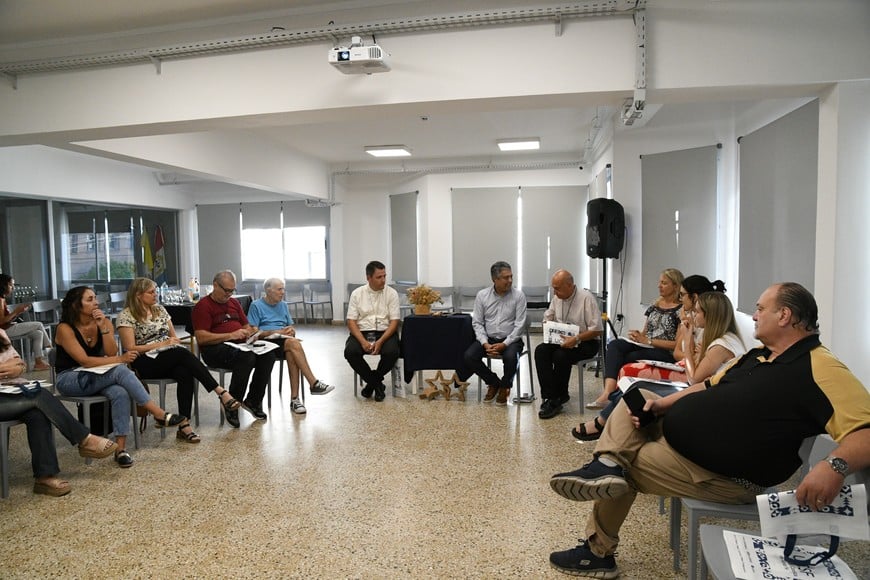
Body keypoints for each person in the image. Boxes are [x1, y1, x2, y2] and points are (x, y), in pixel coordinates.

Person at [547, 282, 870, 578]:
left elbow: (866, 431)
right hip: (683, 449)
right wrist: (663, 406)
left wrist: (834, 466)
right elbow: (706, 384)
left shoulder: (822, 366)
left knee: (626, 467)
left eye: (760, 308)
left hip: (722, 477)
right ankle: (607, 464)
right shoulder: (760, 356)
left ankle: (597, 552)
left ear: (784, 315)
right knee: (640, 398)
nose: (754, 315)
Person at [574, 289, 745, 441]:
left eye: (698, 312)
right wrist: (696, 352)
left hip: (704, 394)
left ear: (710, 316)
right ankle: (608, 423)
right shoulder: (722, 338)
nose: (694, 315)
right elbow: (699, 366)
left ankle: (603, 424)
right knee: (634, 384)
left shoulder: (721, 346)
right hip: (702, 388)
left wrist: (687, 339)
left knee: (638, 390)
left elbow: (693, 379)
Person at [54, 286, 187, 468]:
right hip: (70, 377)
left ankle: (120, 449)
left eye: (95, 298)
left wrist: (103, 328)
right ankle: (158, 413)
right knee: (120, 369)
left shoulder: (103, 322)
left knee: (120, 392)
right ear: (76, 305)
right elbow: (84, 361)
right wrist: (121, 359)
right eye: (90, 299)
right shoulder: (65, 328)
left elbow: (111, 351)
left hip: (97, 374)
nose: (96, 302)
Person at [116, 277, 242, 442]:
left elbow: (173, 338)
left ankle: (184, 425)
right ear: (138, 295)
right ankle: (221, 392)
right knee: (181, 354)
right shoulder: (126, 316)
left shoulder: (159, 310)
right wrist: (162, 344)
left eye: (155, 291)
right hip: (144, 360)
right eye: (151, 292)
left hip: (168, 354)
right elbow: (130, 348)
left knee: (184, 371)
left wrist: (169, 343)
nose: (155, 295)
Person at [0, 328, 117, 496]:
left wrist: (17, 368)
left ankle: (45, 477)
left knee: (37, 414)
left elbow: (20, 363)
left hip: (11, 392)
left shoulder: (1, 333)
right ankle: (84, 439)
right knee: (39, 395)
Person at [587, 268, 684, 409]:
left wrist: (649, 341)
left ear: (675, 286)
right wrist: (638, 337)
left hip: (664, 352)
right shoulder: (655, 305)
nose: (659, 286)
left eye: (664, 283)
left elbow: (676, 345)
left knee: (630, 356)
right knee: (615, 344)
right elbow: (646, 332)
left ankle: (617, 398)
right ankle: (608, 392)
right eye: (659, 282)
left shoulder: (681, 311)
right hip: (647, 345)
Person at [192, 270, 275, 427]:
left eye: (232, 290)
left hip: (239, 345)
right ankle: (231, 403)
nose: (229, 294)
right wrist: (230, 335)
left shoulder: (234, 303)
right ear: (215, 285)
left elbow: (246, 325)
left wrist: (252, 332)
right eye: (226, 290)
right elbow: (201, 338)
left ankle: (253, 401)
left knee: (268, 355)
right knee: (247, 357)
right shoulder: (203, 306)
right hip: (214, 349)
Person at [247, 278, 336, 415]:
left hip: (284, 342)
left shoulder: (283, 305)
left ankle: (295, 399)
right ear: (268, 290)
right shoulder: (256, 305)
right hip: (266, 343)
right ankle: (312, 384)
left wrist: (290, 331)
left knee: (292, 351)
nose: (283, 292)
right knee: (294, 345)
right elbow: (253, 332)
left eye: (283, 289)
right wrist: (275, 332)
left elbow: (290, 325)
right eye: (279, 289)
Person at [535, 269, 602, 419]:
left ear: (570, 285)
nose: (554, 291)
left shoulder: (586, 298)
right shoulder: (557, 297)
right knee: (541, 351)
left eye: (557, 288)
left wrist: (577, 338)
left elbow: (597, 330)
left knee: (561, 355)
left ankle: (557, 398)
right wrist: (547, 324)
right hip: (562, 338)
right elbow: (548, 316)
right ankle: (552, 396)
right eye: (553, 287)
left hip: (586, 341)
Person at [464, 261, 528, 406]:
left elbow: (519, 325)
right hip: (489, 339)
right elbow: (477, 323)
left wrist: (505, 344)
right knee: (469, 356)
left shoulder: (519, 296)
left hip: (511, 339)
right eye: (506, 278)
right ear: (495, 279)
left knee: (511, 357)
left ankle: (505, 386)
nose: (510, 280)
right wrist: (485, 343)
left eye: (511, 276)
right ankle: (494, 383)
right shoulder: (482, 296)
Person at [344, 261, 400, 402]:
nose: (383, 280)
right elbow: (351, 321)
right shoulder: (357, 294)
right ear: (368, 278)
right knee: (350, 352)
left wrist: (380, 341)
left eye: (384, 276)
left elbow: (394, 322)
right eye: (379, 277)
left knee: (392, 352)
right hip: (362, 332)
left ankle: (371, 385)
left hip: (385, 332)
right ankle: (377, 384)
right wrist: (362, 342)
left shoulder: (391, 293)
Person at [0, 273, 51, 371]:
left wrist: (18, 312)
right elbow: (1, 321)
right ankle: (51, 351)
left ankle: (38, 362)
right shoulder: (0, 300)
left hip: (8, 327)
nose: (13, 288)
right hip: (3, 332)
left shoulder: (2, 299)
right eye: (11, 285)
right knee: (39, 324)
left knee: (37, 333)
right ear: (3, 285)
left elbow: (6, 318)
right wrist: (16, 311)